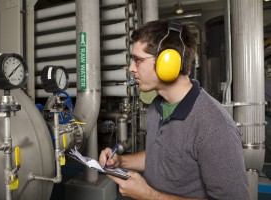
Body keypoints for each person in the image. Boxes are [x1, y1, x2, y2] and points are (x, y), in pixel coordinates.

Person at [99, 19, 249, 200]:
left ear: (167, 63)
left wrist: (148, 195)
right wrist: (121, 161)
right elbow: (160, 157)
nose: (131, 68)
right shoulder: (157, 106)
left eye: (138, 60)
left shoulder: (215, 126)